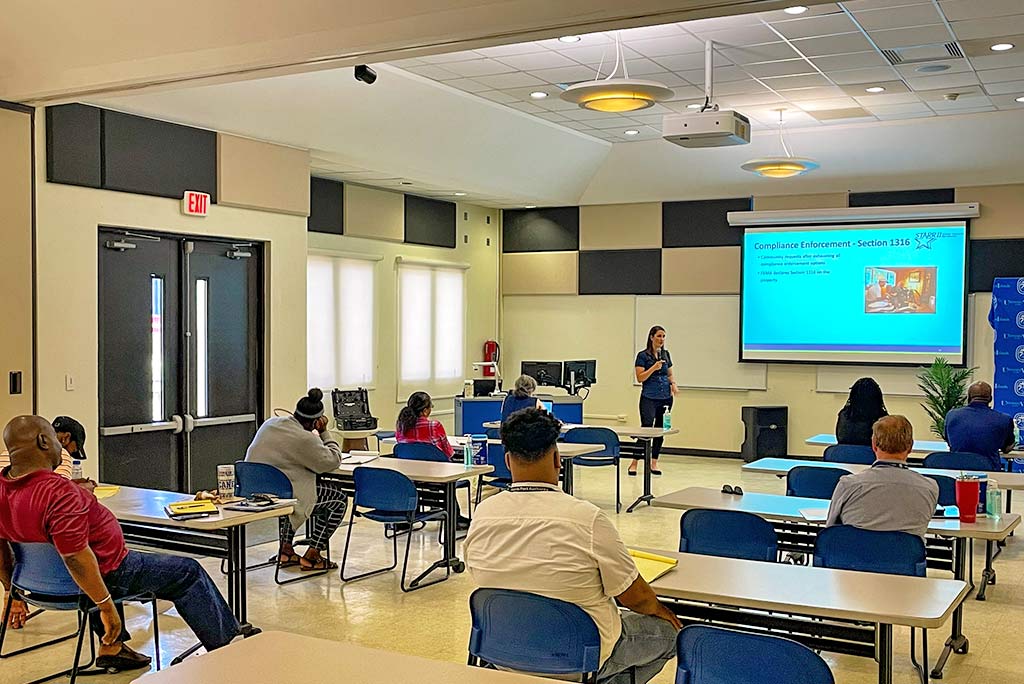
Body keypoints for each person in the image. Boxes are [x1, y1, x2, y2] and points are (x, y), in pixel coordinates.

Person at [0, 416, 251, 671]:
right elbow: (76, 558)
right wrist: (106, 607)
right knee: (188, 572)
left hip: (39, 583)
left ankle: (114, 647)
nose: (60, 446)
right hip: (107, 573)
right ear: (44, 441)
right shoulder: (58, 494)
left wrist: (11, 589)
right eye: (54, 439)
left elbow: (3, 549)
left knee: (99, 563)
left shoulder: (7, 489)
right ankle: (228, 648)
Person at [465, 408, 680, 684]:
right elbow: (634, 597)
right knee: (672, 634)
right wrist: (664, 611)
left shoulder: (483, 513)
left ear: (508, 461)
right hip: (580, 658)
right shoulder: (587, 519)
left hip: (503, 652)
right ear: (557, 458)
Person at [245, 388, 347, 571]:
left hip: (254, 491)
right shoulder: (306, 439)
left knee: (288, 493)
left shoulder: (270, 424)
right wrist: (324, 433)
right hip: (283, 496)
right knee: (338, 499)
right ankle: (313, 554)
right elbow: (332, 461)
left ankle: (286, 550)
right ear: (316, 422)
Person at [826, 415, 939, 539]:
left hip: (855, 556)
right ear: (911, 446)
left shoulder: (849, 485)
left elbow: (831, 532)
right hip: (904, 557)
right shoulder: (929, 488)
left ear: (874, 445)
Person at [631, 325, 677, 476]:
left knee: (660, 430)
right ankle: (635, 461)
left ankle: (654, 462)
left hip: (665, 397)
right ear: (651, 337)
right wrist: (653, 368)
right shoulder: (643, 356)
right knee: (646, 428)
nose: (661, 339)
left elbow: (669, 374)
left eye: (664, 336)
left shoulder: (666, 354)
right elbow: (640, 377)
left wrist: (674, 384)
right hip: (649, 397)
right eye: (659, 336)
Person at [944, 381, 1016, 471]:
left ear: (969, 397)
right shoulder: (1004, 419)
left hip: (956, 471)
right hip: (989, 472)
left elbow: (949, 442)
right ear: (990, 399)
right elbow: (1007, 449)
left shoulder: (951, 415)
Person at [396, 391, 454, 460]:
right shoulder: (434, 426)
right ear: (425, 411)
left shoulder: (401, 426)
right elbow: (448, 453)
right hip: (436, 468)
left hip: (408, 468)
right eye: (431, 407)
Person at [836, 377, 888, 446]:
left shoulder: (844, 415)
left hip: (844, 455)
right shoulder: (882, 419)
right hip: (870, 456)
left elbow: (840, 439)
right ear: (878, 397)